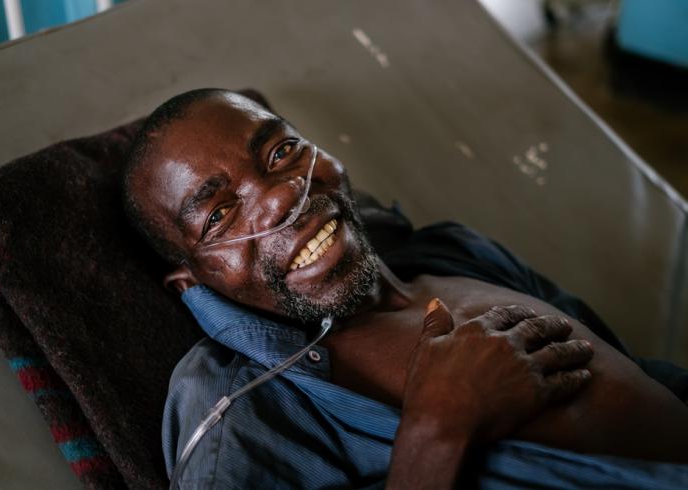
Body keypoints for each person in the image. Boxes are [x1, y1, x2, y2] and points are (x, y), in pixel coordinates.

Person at [122, 88, 688, 488]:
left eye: (280, 152)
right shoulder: (238, 412)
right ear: (191, 282)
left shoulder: (457, 252)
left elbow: (634, 370)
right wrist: (437, 430)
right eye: (219, 216)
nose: (278, 196)